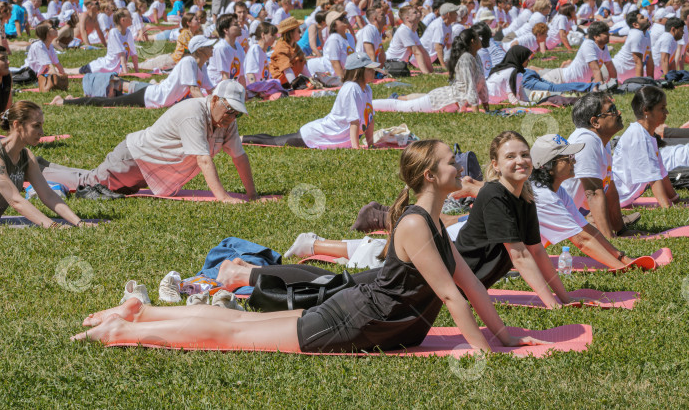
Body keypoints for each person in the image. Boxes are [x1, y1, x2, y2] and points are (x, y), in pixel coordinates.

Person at [72, 139, 549, 353]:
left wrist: (501, 333)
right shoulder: (417, 225)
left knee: (238, 323)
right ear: (431, 175)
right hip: (357, 320)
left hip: (363, 314)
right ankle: (119, 329)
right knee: (233, 334)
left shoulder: (431, 221)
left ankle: (140, 312)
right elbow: (448, 294)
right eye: (450, 161)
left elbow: (466, 282)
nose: (458, 165)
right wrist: (483, 351)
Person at [44, 80, 257, 203]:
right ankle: (35, 169)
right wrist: (223, 198)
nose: (231, 118)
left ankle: (43, 167)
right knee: (87, 181)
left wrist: (252, 195)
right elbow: (202, 159)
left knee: (89, 178)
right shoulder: (194, 112)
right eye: (230, 111)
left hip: (147, 170)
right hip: (133, 159)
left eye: (237, 114)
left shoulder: (227, 122)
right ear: (215, 99)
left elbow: (239, 157)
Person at [453, 132, 577, 307]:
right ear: (496, 165)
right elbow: (519, 255)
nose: (520, 161)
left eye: (525, 155)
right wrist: (553, 305)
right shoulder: (493, 195)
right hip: (456, 286)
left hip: (473, 286)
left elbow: (537, 251)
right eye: (510, 156)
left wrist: (565, 298)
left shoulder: (525, 195)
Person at [0, 101, 90, 227]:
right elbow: (16, 201)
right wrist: (54, 226)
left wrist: (79, 223)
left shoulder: (26, 156)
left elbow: (48, 195)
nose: (42, 132)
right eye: (36, 125)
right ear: (17, 125)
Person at [529, 135, 633, 268]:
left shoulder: (557, 190)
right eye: (568, 158)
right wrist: (622, 268)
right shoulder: (542, 196)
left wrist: (621, 257)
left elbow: (585, 228)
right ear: (548, 166)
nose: (574, 162)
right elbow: (581, 240)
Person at [242, 53, 377, 149]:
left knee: (275, 139)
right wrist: (356, 148)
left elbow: (369, 119)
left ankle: (241, 138)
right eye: (369, 69)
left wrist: (371, 144)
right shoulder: (351, 88)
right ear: (359, 71)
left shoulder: (367, 89)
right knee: (274, 142)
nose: (373, 71)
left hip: (331, 136)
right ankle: (240, 139)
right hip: (318, 135)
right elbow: (354, 121)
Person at [49, 35, 216, 109]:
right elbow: (195, 90)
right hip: (152, 97)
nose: (213, 48)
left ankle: (74, 98)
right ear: (200, 50)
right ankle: (63, 102)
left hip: (154, 94)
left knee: (117, 91)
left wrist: (220, 101)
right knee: (106, 102)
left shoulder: (202, 65)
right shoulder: (189, 62)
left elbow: (209, 89)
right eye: (209, 46)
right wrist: (211, 108)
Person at [561, 93, 630, 238]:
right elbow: (593, 192)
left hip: (568, 218)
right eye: (612, 109)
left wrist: (622, 230)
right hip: (551, 221)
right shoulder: (586, 141)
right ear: (595, 122)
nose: (619, 113)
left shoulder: (600, 141)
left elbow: (608, 189)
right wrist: (609, 239)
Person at [373, 29, 488, 113]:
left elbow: (482, 83)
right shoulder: (466, 58)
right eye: (478, 38)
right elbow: (470, 86)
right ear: (473, 41)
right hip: (443, 101)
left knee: (412, 101)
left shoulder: (475, 57)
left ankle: (397, 97)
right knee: (401, 107)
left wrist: (486, 106)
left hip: (449, 100)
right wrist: (476, 112)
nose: (480, 40)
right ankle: (368, 104)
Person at [612, 86, 679, 208]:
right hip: (618, 197)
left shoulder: (646, 133)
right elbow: (653, 177)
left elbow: (661, 172)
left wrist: (675, 199)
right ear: (646, 110)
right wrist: (667, 207)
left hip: (623, 196)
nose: (666, 112)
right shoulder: (638, 135)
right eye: (662, 108)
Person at [538, 21, 616, 85]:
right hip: (559, 80)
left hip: (568, 83)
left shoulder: (603, 46)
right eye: (605, 33)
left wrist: (614, 83)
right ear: (596, 37)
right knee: (533, 88)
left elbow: (610, 66)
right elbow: (596, 69)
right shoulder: (589, 45)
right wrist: (601, 90)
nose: (608, 35)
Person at [76, 9, 139, 75]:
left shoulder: (128, 32)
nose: (132, 18)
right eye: (129, 16)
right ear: (122, 20)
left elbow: (134, 54)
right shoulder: (114, 32)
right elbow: (122, 54)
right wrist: (126, 73)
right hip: (101, 67)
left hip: (113, 70)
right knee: (77, 71)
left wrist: (137, 72)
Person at [384, 6, 433, 74]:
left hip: (398, 63)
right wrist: (426, 73)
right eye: (415, 12)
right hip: (390, 63)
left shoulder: (412, 31)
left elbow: (423, 51)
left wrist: (431, 71)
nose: (418, 14)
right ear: (407, 18)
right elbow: (417, 52)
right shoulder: (404, 30)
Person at [306, 11, 355, 78]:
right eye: (341, 18)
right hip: (312, 70)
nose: (344, 19)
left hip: (333, 72)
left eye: (344, 17)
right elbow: (334, 62)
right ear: (334, 25)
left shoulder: (349, 37)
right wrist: (343, 80)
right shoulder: (334, 39)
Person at [269, 17, 307, 88]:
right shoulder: (281, 48)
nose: (300, 32)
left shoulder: (294, 45)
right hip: (279, 82)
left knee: (299, 60)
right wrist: (295, 84)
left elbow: (302, 63)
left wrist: (311, 79)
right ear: (291, 33)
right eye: (298, 30)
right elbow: (286, 68)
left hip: (287, 81)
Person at [208, 14, 245, 86]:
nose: (240, 26)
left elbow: (241, 75)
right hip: (217, 88)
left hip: (232, 85)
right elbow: (225, 77)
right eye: (236, 24)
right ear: (226, 30)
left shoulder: (238, 46)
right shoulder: (221, 48)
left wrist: (244, 93)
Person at [612, 11, 650, 80]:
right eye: (642, 18)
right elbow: (638, 62)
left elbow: (649, 58)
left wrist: (652, 80)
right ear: (635, 25)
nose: (647, 18)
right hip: (615, 69)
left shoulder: (646, 33)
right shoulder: (636, 34)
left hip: (626, 74)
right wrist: (640, 84)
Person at [420, 2, 457, 69]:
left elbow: (449, 45)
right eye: (455, 12)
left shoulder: (448, 25)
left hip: (431, 57)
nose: (457, 14)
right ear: (449, 14)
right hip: (423, 58)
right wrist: (443, 65)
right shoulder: (438, 25)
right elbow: (438, 47)